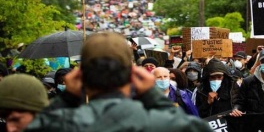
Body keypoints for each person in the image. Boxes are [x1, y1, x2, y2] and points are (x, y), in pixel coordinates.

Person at [25, 32, 211, 132]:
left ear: (81, 75)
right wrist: (153, 96)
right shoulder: (158, 122)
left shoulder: (63, 123)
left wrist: (67, 98)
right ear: (132, 73)